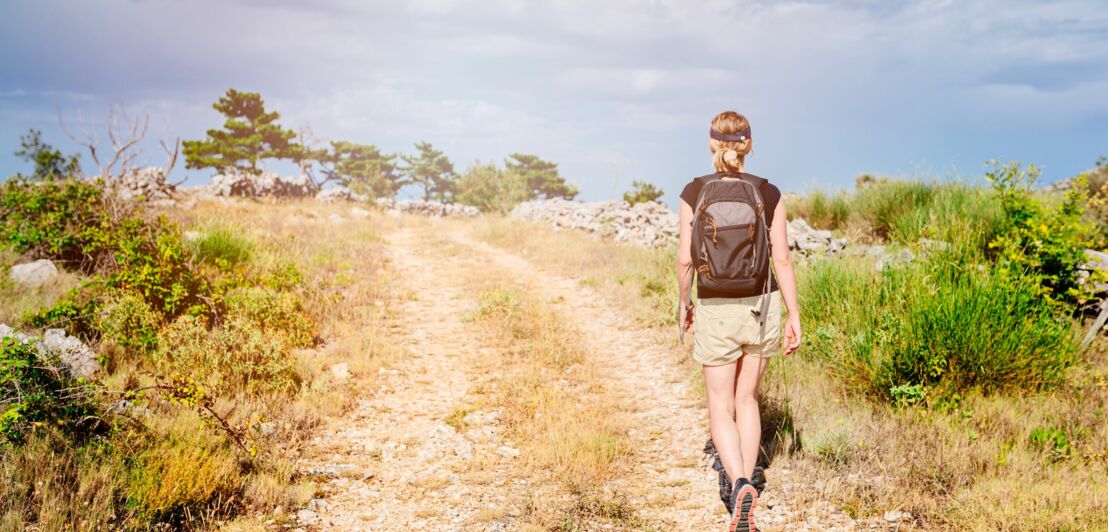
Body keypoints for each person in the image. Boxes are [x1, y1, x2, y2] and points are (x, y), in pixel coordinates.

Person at [676, 110, 802, 532]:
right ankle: (748, 486)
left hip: (715, 306)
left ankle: (738, 485)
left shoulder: (694, 191)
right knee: (747, 399)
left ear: (712, 144)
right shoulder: (768, 192)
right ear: (749, 145)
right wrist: (794, 314)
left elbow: (684, 259)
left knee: (720, 403)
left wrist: (683, 303)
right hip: (761, 307)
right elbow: (781, 258)